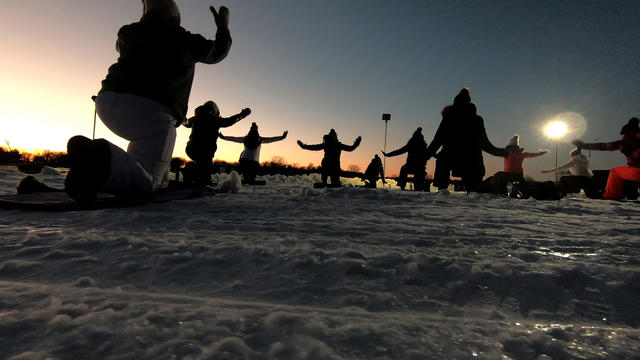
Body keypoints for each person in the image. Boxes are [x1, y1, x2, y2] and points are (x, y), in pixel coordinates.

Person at [64, 1, 233, 203]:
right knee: (148, 182)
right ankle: (100, 158)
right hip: (151, 113)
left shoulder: (129, 33)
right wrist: (222, 26)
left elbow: (126, 45)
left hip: (106, 102)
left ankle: (91, 173)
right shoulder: (183, 39)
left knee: (138, 163)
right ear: (174, 16)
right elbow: (218, 51)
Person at [426, 88, 509, 192]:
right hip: (472, 161)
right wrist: (503, 152)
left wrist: (424, 158)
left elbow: (437, 140)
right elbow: (485, 144)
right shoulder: (477, 119)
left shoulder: (449, 116)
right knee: (474, 192)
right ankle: (487, 185)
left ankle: (442, 191)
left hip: (451, 158)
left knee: (443, 158)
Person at [183, 101, 251, 185]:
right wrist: (242, 114)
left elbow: (186, 123)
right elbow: (230, 121)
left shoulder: (194, 118)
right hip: (205, 151)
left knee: (201, 164)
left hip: (191, 149)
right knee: (205, 168)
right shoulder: (215, 120)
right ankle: (201, 180)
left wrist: (180, 116)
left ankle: (191, 172)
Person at [572, 117, 640, 200]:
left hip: (637, 171)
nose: (622, 137)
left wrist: (584, 145)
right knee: (627, 174)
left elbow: (605, 146)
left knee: (615, 172)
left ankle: (612, 196)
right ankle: (632, 194)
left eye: (623, 135)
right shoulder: (635, 138)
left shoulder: (628, 142)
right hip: (634, 171)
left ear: (628, 133)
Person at [219, 122, 288, 184]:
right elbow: (271, 139)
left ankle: (245, 180)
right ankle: (250, 180)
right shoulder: (260, 139)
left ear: (250, 130)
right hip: (254, 161)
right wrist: (281, 137)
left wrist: (223, 137)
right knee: (252, 177)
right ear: (257, 130)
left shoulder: (245, 138)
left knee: (246, 175)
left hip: (244, 160)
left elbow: (233, 139)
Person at [297, 129, 362, 187]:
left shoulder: (330, 144)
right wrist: (356, 144)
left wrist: (304, 146)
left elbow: (314, 147)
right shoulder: (335, 144)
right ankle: (327, 183)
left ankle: (327, 183)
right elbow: (350, 148)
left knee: (332, 180)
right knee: (332, 181)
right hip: (331, 165)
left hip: (331, 165)